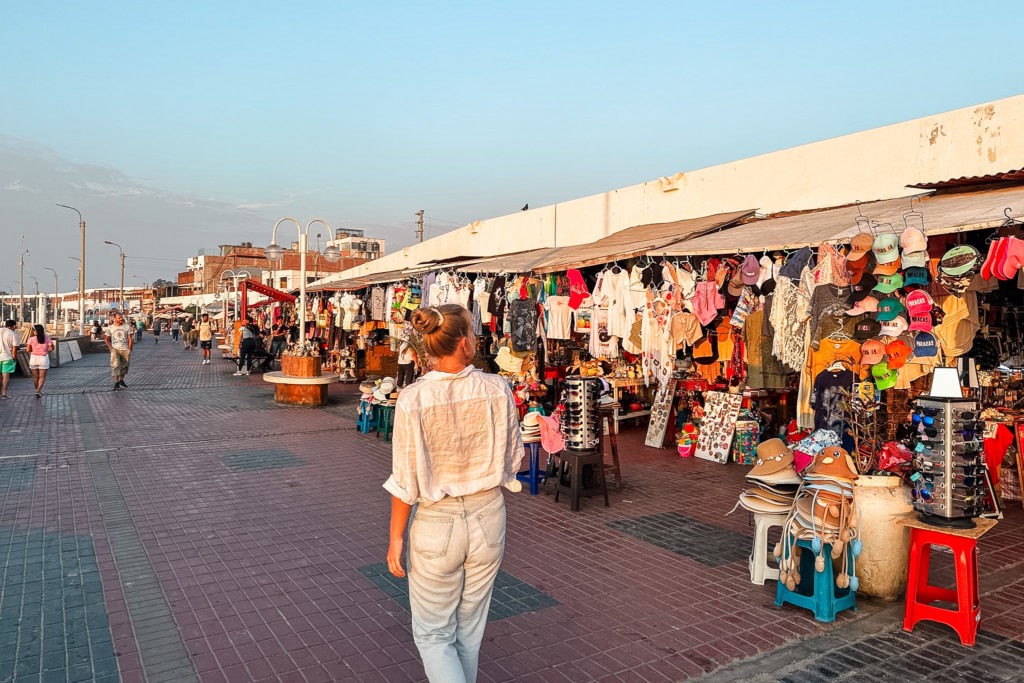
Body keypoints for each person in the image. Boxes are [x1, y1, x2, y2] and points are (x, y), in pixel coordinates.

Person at [384, 304, 523, 683]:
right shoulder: (497, 389)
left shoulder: (413, 397)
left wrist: (396, 537)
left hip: (435, 521)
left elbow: (405, 477)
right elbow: (513, 459)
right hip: (488, 516)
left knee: (433, 634)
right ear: (464, 343)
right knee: (469, 629)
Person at [105, 312, 134, 390]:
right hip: (115, 349)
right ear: (114, 318)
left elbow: (130, 339)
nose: (121, 319)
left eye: (121, 317)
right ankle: (116, 382)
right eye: (119, 318)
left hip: (125, 349)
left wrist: (130, 349)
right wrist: (111, 348)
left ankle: (121, 380)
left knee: (124, 366)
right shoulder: (110, 328)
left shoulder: (127, 327)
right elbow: (107, 340)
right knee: (115, 365)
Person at [27, 324, 54, 398]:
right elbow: (51, 348)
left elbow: (28, 350)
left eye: (34, 330)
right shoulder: (47, 338)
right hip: (43, 358)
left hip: (34, 358)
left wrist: (35, 351)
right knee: (42, 377)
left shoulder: (31, 339)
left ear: (36, 331)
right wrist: (45, 350)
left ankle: (37, 390)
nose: (33, 331)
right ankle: (38, 390)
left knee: (35, 377)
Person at [0, 320, 17, 399]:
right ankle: (4, 393)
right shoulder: (13, 334)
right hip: (7, 357)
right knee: (5, 376)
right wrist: (14, 357)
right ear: (13, 326)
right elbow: (15, 347)